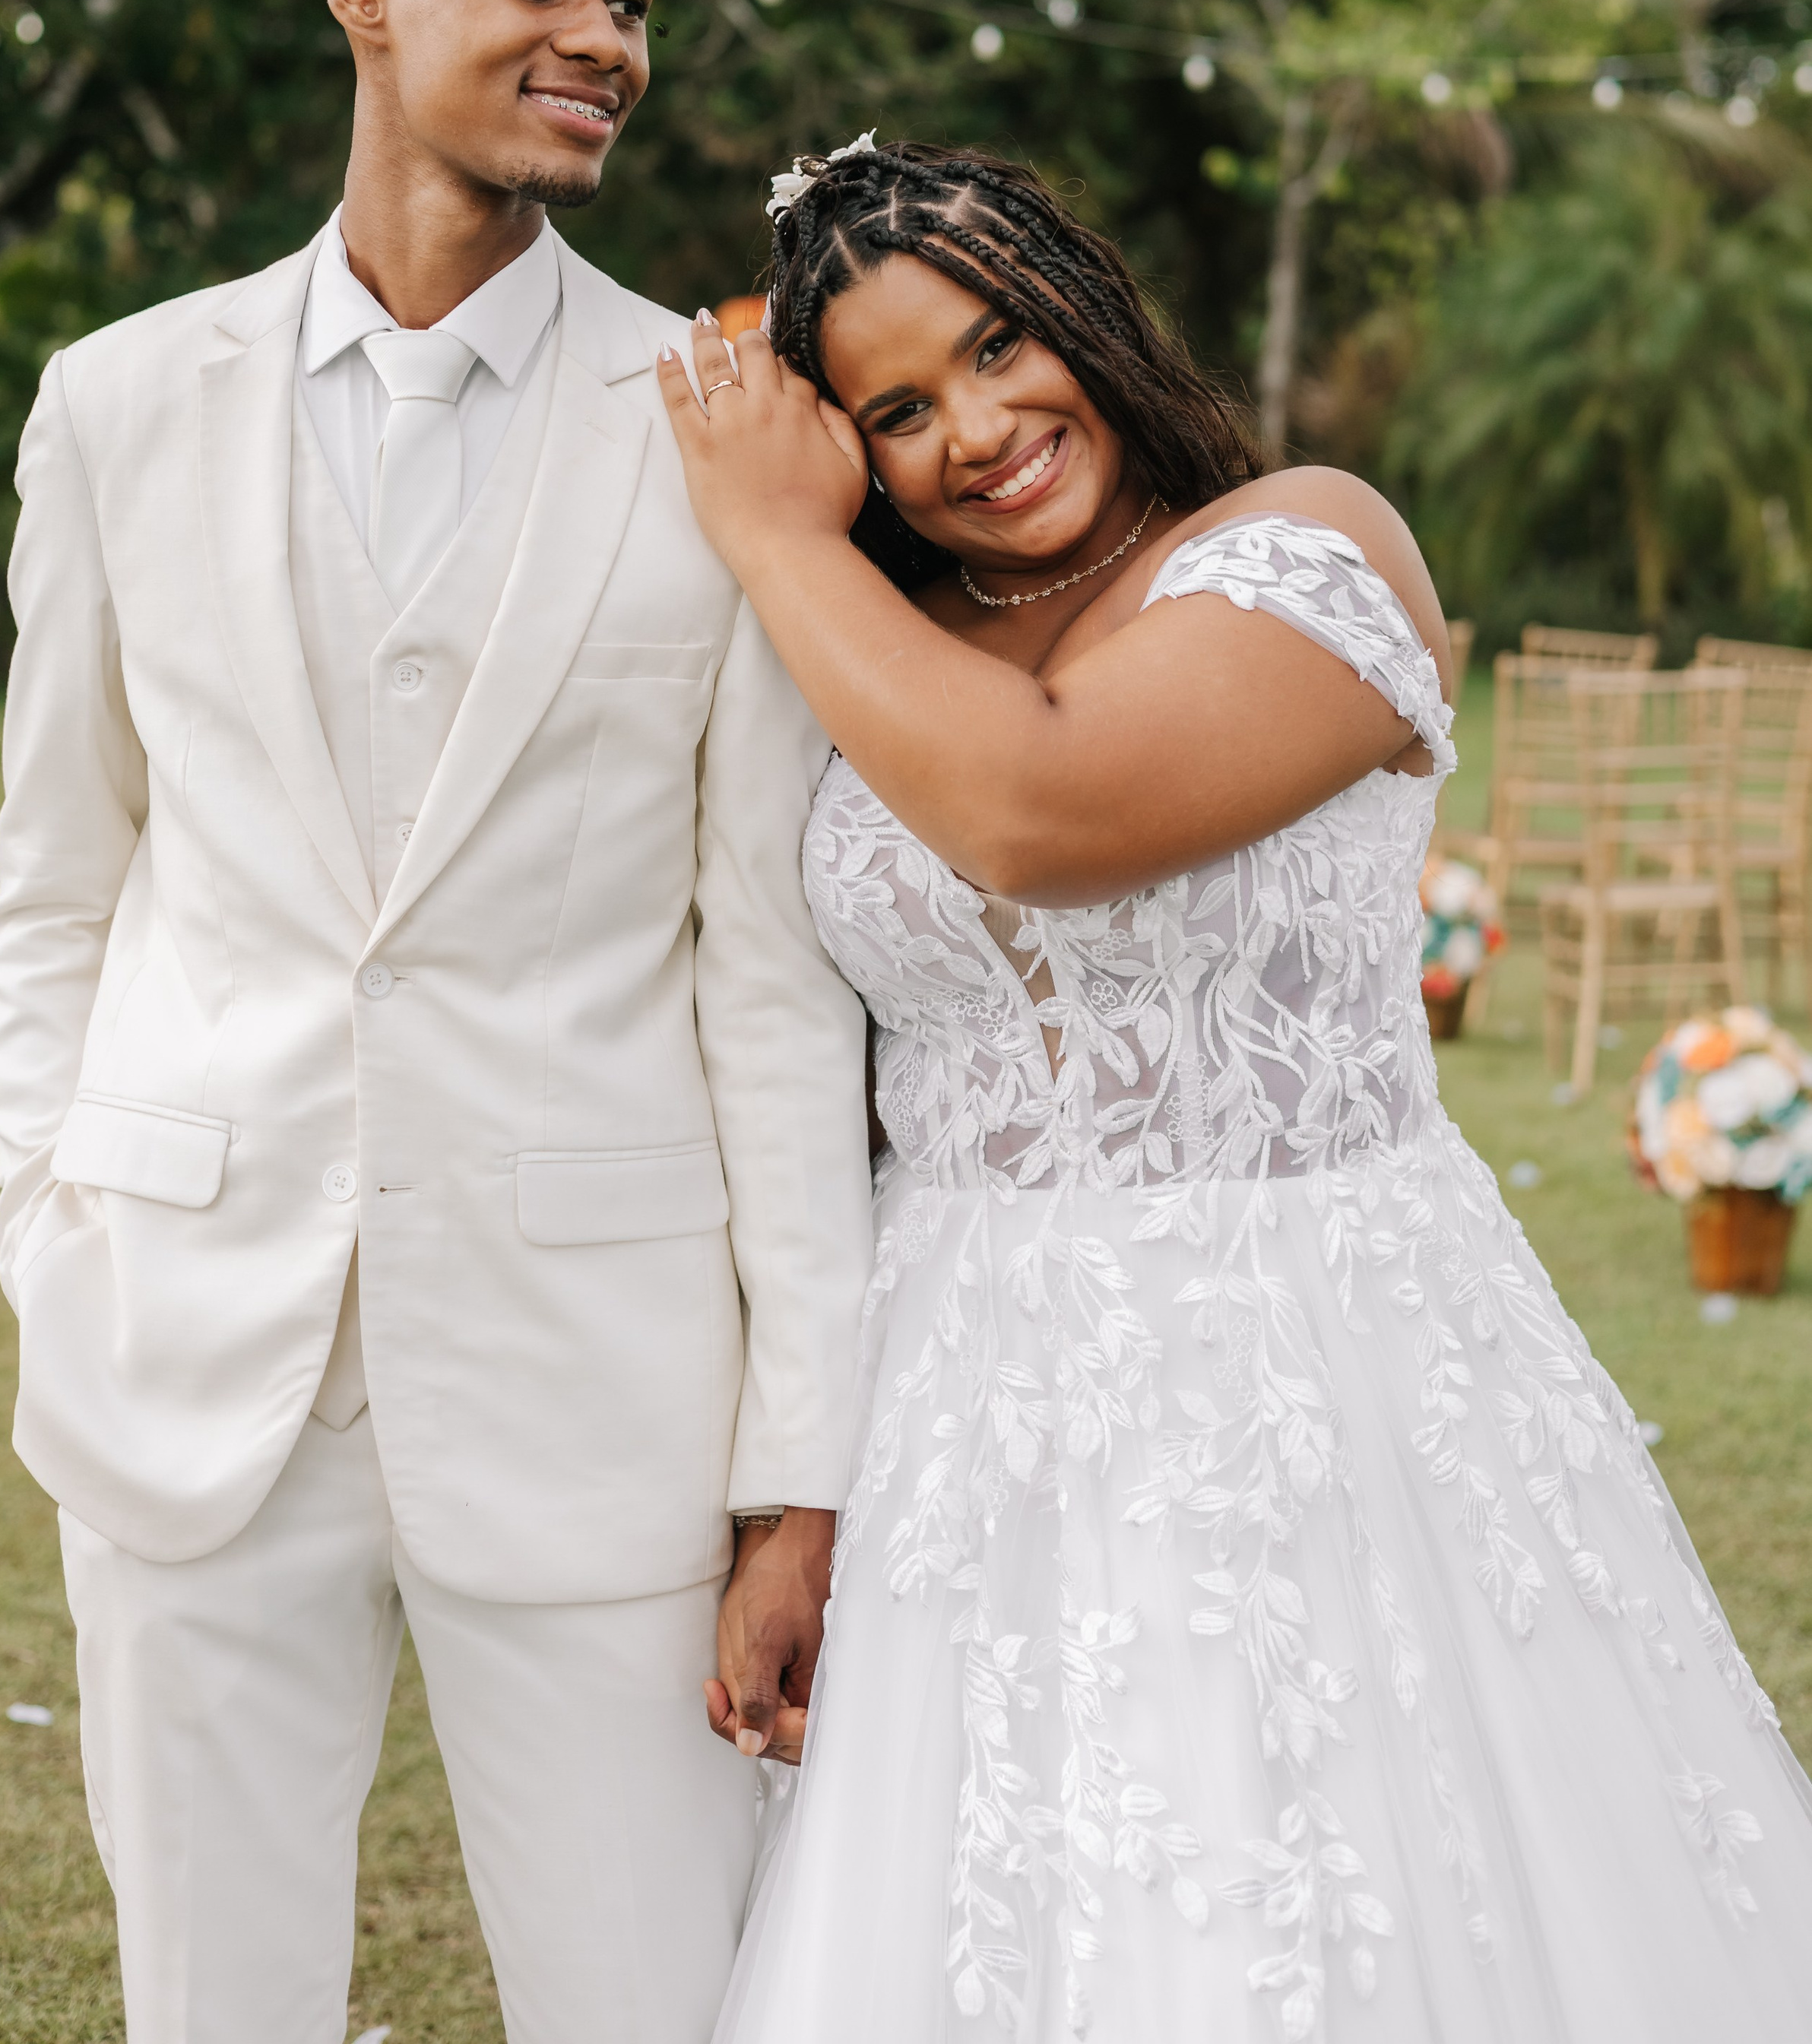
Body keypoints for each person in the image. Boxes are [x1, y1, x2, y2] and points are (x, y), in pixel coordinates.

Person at [656, 135, 1812, 2044]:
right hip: (960, 1413)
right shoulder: (885, 647)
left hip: (1312, 1379)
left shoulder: (1304, 549)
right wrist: (797, 1496)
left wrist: (775, 537)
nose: (980, 426)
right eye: (897, 409)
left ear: (1088, 312)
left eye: (1002, 341)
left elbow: (1039, 810)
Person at [0, 0, 872, 2044]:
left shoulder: (717, 417)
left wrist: (799, 1464)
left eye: (634, 1)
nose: (606, 39)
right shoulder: (112, 407)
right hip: (185, 1357)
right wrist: (45, 1220)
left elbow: (768, 971)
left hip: (602, 1398)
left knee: (662, 2004)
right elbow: (54, 883)